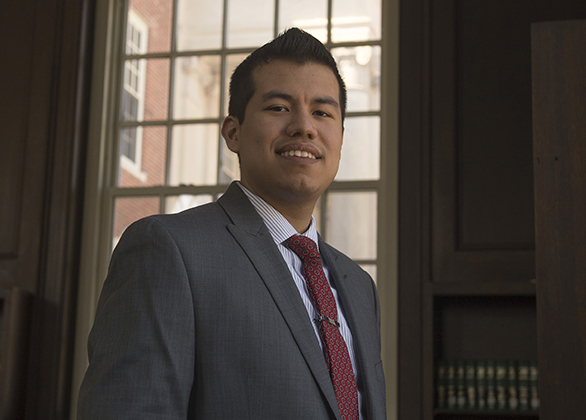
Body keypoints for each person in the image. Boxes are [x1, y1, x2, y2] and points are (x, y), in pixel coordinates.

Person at [77, 28, 386, 420]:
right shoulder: (169, 251)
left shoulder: (359, 287)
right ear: (233, 132)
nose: (304, 127)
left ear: (340, 136)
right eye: (278, 107)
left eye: (323, 112)